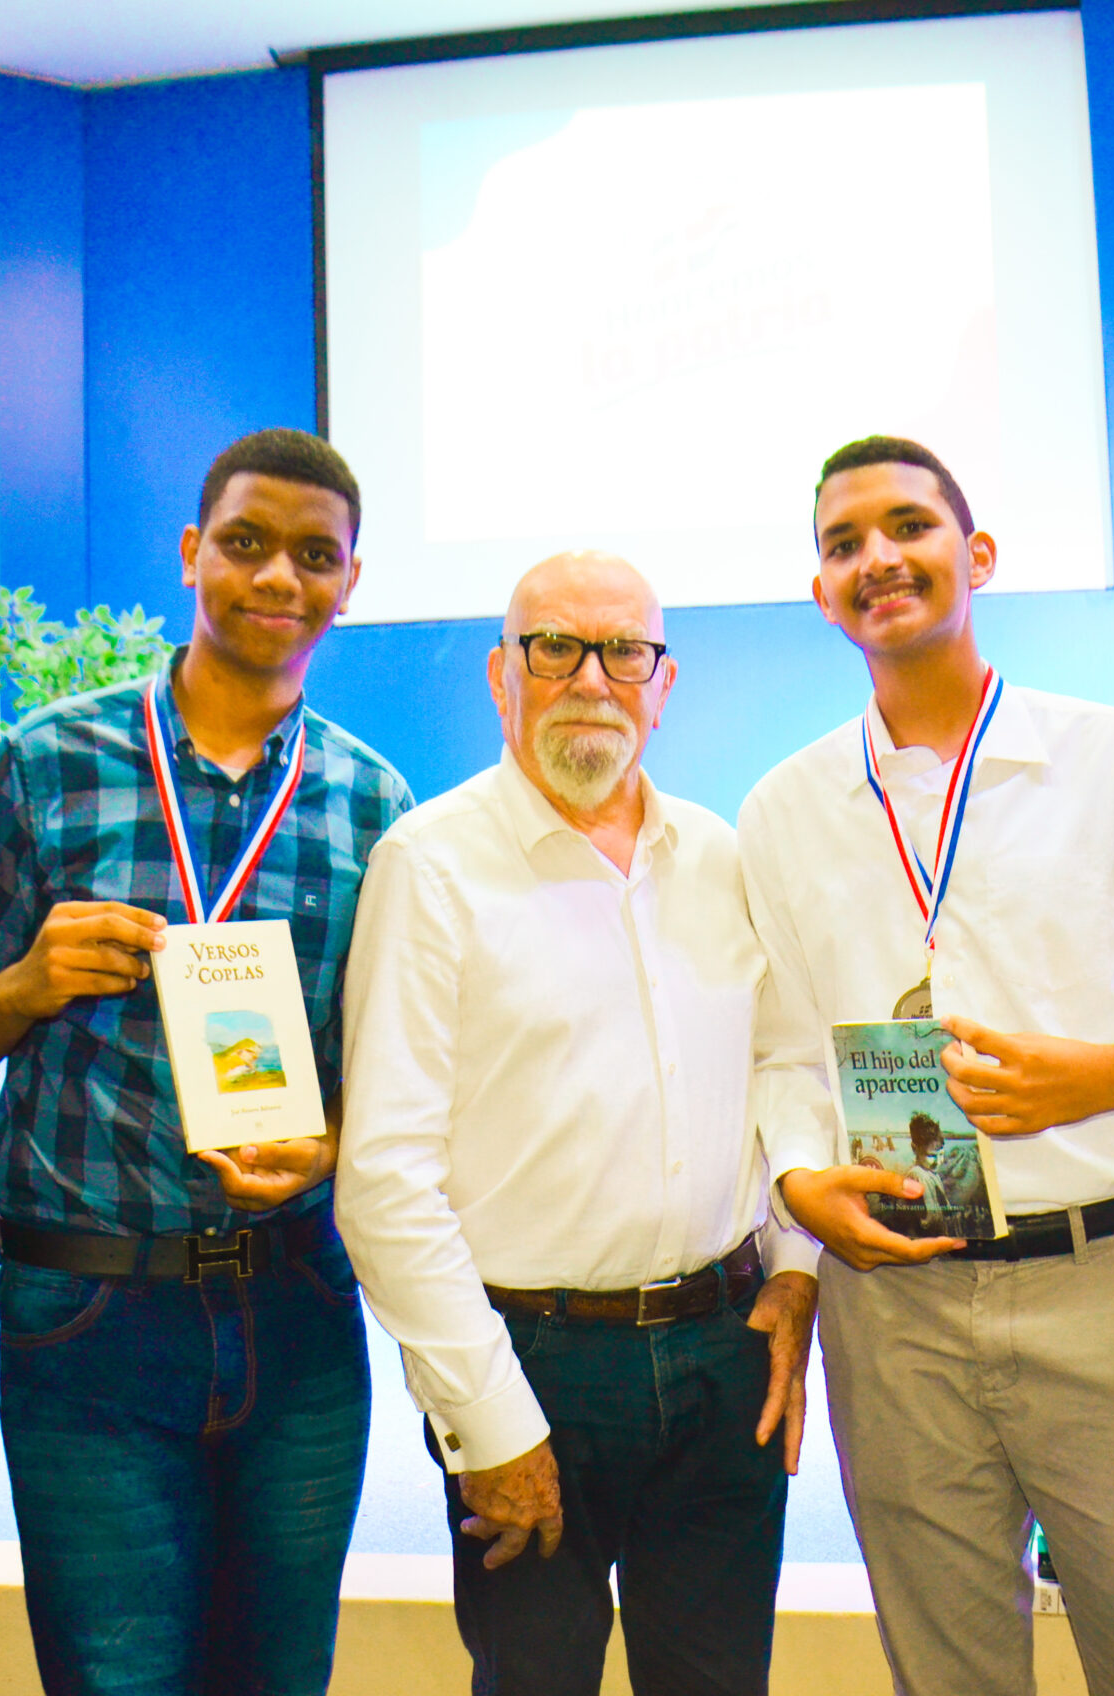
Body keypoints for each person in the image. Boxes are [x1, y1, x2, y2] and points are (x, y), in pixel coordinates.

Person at [735, 436, 1114, 1696]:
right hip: (892, 1306)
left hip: (1103, 1284)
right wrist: (798, 1183)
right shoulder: (784, 807)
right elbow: (783, 1054)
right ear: (822, 592)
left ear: (977, 554)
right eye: (843, 544)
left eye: (909, 526)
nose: (879, 559)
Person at [0, 428, 413, 1696]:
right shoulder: (51, 762)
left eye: (315, 555)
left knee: (280, 1675)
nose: (279, 575)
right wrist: (23, 985)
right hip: (92, 1313)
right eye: (246, 542)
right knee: (115, 1678)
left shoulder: (375, 805)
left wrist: (333, 1143)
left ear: (351, 582)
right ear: (192, 552)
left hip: (296, 1312)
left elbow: (406, 1071)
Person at [337, 551, 818, 1696]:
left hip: (723, 1351)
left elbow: (786, 1069)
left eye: (624, 651)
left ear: (664, 682)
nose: (590, 678)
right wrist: (488, 1420)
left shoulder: (720, 857)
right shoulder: (429, 866)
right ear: (500, 674)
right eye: (554, 647)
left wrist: (796, 1270)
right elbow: (385, 1176)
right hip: (532, 1362)